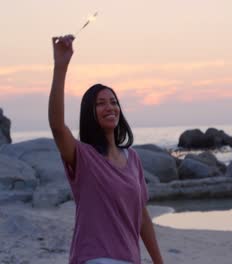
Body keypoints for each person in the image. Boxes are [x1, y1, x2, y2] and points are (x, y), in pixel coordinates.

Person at [49, 35, 164, 264]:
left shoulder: (133, 159)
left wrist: (159, 261)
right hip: (94, 257)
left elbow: (141, 216)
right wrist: (61, 66)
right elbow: (57, 127)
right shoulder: (83, 156)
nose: (109, 107)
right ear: (89, 113)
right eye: (100, 103)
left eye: (113, 101)